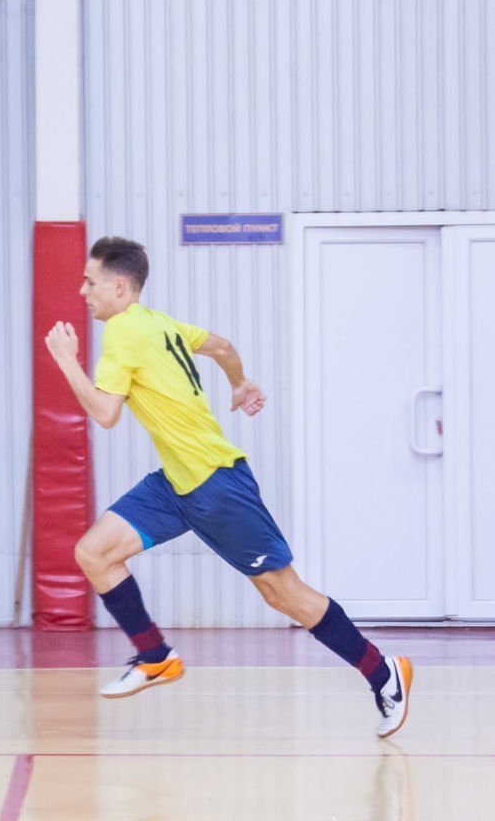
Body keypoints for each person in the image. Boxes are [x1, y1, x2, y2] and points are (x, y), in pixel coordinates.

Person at [44, 236, 412, 738]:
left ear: (120, 286)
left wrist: (67, 361)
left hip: (216, 485)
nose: (83, 292)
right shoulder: (160, 323)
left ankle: (383, 673)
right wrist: (240, 382)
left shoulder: (125, 331)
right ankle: (154, 656)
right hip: (177, 483)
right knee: (95, 552)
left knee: (284, 594)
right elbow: (221, 346)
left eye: (90, 282)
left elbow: (106, 414)